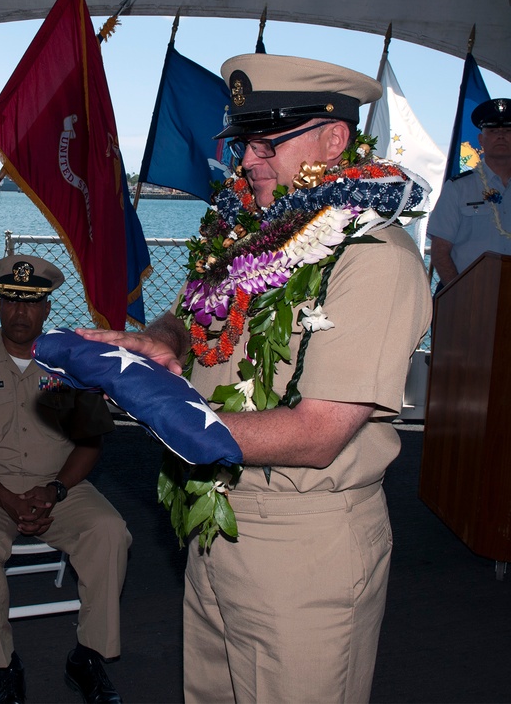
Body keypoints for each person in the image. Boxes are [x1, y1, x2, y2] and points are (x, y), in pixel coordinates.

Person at [78, 54, 432, 703]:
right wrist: (161, 340)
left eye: (269, 142)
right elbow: (192, 313)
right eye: (243, 142)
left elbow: (319, 433)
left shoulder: (372, 259)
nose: (247, 161)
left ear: (334, 138)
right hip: (216, 526)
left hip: (304, 544)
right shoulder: (255, 235)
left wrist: (156, 407)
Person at [0, 254, 130, 704]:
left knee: (110, 532)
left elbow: (89, 444)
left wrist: (55, 490)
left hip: (59, 486)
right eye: (10, 301)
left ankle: (88, 655)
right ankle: (6, 663)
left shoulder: (70, 366)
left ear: (46, 309)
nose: (19, 312)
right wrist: (6, 499)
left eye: (30, 303)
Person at [428, 98, 511, 288]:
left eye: (507, 131)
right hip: (470, 295)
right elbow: (440, 251)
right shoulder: (458, 188)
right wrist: (458, 295)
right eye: (493, 131)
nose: (500, 136)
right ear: (481, 140)